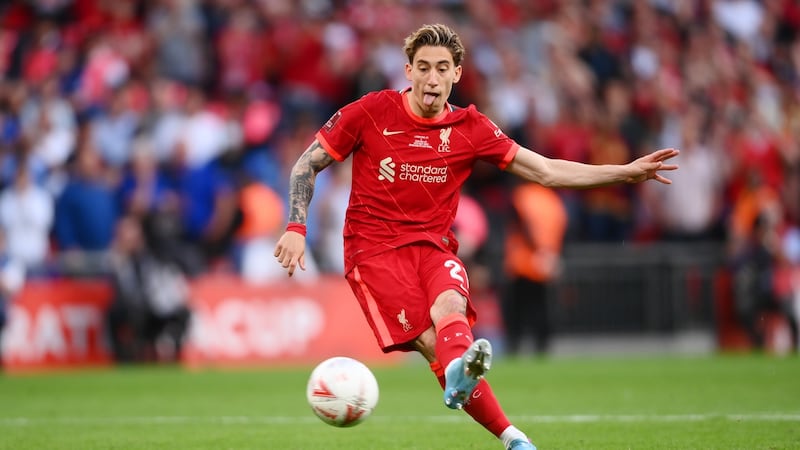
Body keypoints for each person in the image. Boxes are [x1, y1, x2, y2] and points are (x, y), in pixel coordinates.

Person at [273, 23, 679, 450]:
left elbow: (545, 170)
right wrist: (296, 227)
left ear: (457, 74)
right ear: (408, 71)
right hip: (374, 253)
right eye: (424, 67)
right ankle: (503, 426)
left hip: (433, 246)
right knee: (433, 344)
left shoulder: (471, 127)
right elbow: (306, 164)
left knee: (451, 304)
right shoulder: (370, 111)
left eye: (442, 68)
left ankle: (480, 400)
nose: (432, 78)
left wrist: (625, 172)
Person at [502, 182, 568, 356]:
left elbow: (523, 225)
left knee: (517, 309)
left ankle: (514, 347)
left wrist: (540, 250)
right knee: (540, 307)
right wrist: (550, 255)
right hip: (544, 263)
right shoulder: (552, 200)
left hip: (522, 262)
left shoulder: (523, 195)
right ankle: (541, 347)